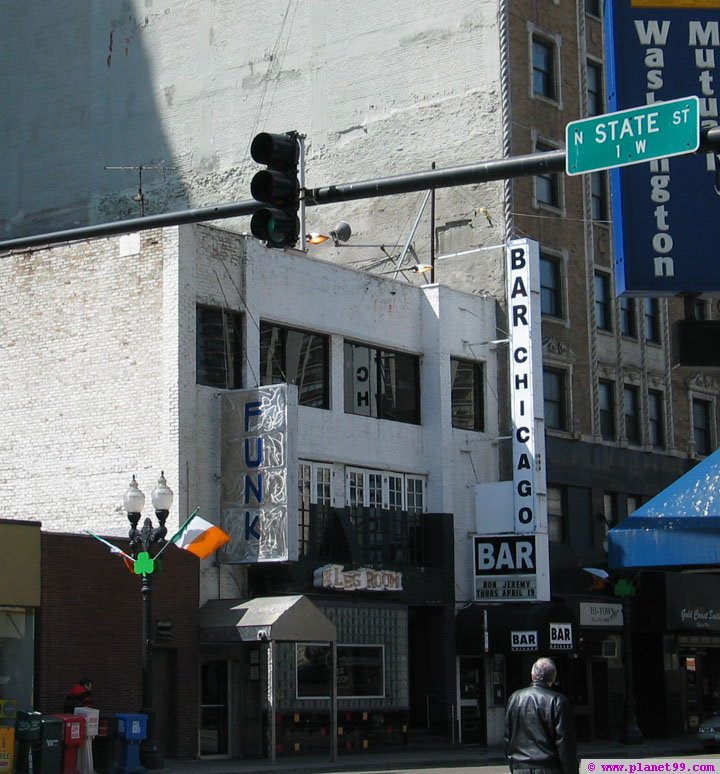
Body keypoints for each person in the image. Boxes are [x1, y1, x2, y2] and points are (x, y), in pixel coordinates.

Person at [504, 657, 578, 774]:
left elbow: (507, 737)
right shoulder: (558, 700)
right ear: (553, 678)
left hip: (520, 766)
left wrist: (513, 764)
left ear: (533, 675)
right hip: (548, 766)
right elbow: (565, 743)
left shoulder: (514, 698)